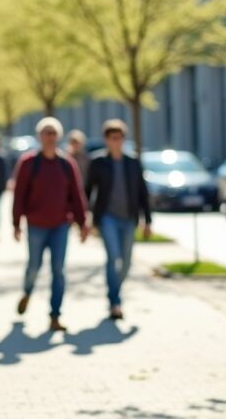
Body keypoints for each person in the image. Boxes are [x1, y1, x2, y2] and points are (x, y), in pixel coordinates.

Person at [12, 117, 90, 332]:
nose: (50, 137)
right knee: (34, 266)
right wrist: (16, 223)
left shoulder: (67, 164)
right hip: (36, 225)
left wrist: (83, 224)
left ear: (59, 136)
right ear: (40, 136)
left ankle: (55, 315)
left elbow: (77, 195)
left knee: (58, 270)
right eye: (46, 132)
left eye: (53, 133)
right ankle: (27, 292)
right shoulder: (29, 163)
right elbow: (19, 195)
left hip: (60, 227)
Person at [85, 119, 152, 320]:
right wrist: (86, 218)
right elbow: (88, 191)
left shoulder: (132, 162)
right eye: (113, 138)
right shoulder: (98, 162)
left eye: (120, 137)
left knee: (127, 262)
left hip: (129, 218)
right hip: (107, 218)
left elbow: (142, 192)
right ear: (107, 140)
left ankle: (114, 291)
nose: (117, 141)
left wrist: (147, 220)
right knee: (113, 257)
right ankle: (115, 302)